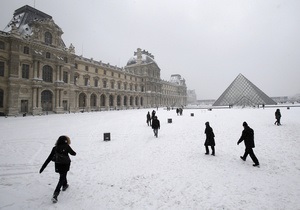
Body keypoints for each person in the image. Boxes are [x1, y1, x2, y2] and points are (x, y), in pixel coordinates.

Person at [39, 135, 76, 203]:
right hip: (65, 164)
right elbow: (73, 153)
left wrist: (42, 168)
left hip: (58, 165)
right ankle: (55, 194)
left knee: (62, 175)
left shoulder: (55, 148)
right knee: (62, 178)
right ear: (66, 140)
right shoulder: (66, 146)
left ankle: (65, 185)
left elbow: (49, 158)